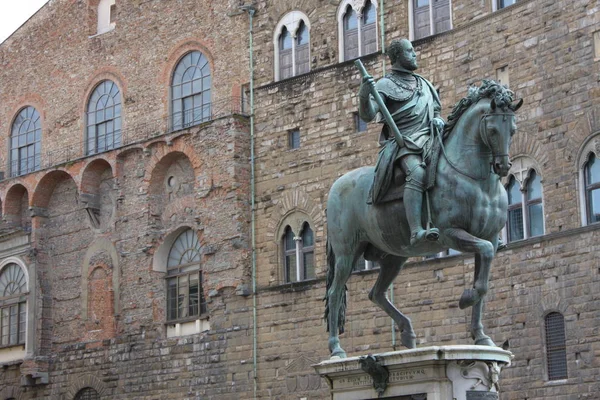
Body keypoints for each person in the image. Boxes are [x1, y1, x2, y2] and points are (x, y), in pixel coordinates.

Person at [358, 38, 444, 246]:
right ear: (397, 56)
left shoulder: (424, 83)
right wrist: (364, 94)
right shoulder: (385, 85)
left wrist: (438, 119)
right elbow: (368, 115)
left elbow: (437, 109)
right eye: (410, 51)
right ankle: (416, 231)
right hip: (403, 144)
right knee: (417, 173)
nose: (415, 54)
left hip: (430, 138)